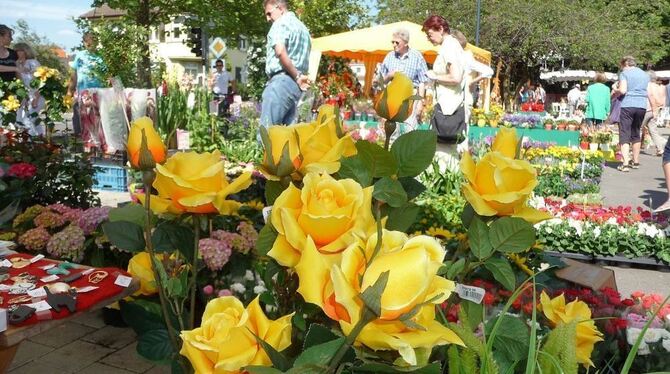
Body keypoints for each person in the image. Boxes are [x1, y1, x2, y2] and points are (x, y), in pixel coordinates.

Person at [260, 0, 311, 128]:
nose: (267, 19)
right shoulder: (303, 29)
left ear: (280, 8)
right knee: (290, 138)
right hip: (297, 88)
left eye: (269, 13)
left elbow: (280, 51)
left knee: (267, 134)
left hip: (281, 82)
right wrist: (299, 77)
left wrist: (297, 76)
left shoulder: (280, 23)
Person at [423, 15, 465, 155]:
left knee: (443, 154)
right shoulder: (451, 45)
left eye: (430, 34)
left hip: (448, 109)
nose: (429, 39)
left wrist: (435, 77)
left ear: (440, 29)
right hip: (448, 106)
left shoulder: (449, 46)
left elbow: (455, 77)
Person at [379, 27, 428, 130]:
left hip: (410, 96)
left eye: (397, 43)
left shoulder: (417, 56)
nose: (394, 45)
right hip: (392, 96)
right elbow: (381, 81)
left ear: (406, 43)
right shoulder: (389, 56)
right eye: (392, 42)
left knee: (409, 129)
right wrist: (390, 75)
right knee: (391, 130)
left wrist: (420, 103)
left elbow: (422, 82)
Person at [612, 55, 649, 172]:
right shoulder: (645, 74)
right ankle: (636, 161)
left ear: (626, 64)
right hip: (642, 105)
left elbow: (623, 90)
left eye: (622, 66)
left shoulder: (625, 74)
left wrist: (614, 90)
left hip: (628, 104)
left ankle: (625, 163)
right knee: (636, 132)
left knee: (624, 133)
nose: (621, 68)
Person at [450, 29, 493, 123]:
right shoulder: (461, 56)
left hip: (462, 100)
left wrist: (472, 81)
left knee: (460, 130)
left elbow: (489, 71)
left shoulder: (465, 57)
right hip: (457, 99)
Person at [67, 32, 105, 137]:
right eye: (87, 43)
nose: (89, 45)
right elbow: (74, 74)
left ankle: (96, 139)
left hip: (97, 91)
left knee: (95, 116)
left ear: (96, 43)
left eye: (92, 43)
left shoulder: (100, 57)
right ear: (84, 43)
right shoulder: (80, 55)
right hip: (82, 90)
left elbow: (107, 75)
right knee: (79, 114)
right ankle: (80, 137)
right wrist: (70, 90)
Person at [14, 42, 45, 136]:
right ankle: (33, 140)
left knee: (31, 117)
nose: (17, 53)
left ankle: (35, 140)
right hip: (24, 96)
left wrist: (36, 98)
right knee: (21, 118)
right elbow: (19, 82)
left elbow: (40, 81)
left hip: (36, 95)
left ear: (25, 51)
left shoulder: (33, 63)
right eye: (15, 51)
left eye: (19, 50)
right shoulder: (16, 64)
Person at [641, 71, 667, 156]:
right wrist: (657, 110)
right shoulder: (660, 87)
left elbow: (650, 97)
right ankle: (660, 148)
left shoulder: (647, 85)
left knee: (638, 128)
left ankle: (633, 147)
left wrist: (653, 108)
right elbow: (662, 100)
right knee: (653, 130)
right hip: (656, 110)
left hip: (648, 109)